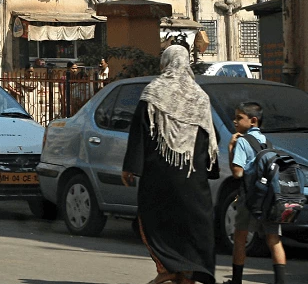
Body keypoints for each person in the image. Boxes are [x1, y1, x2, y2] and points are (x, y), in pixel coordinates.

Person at [121, 45, 219, 284]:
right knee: (193, 225)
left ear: (165, 63)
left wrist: (131, 166)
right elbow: (209, 136)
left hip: (159, 174)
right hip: (192, 176)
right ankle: (187, 273)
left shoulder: (154, 91)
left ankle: (168, 268)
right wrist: (209, 170)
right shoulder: (199, 97)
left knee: (154, 220)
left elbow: (140, 131)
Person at [225, 102, 287, 284]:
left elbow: (237, 173)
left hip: (250, 199)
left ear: (253, 120)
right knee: (274, 240)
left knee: (240, 238)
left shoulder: (242, 142)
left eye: (239, 118)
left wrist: (231, 150)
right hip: (270, 198)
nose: (234, 121)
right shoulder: (268, 142)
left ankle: (236, 280)